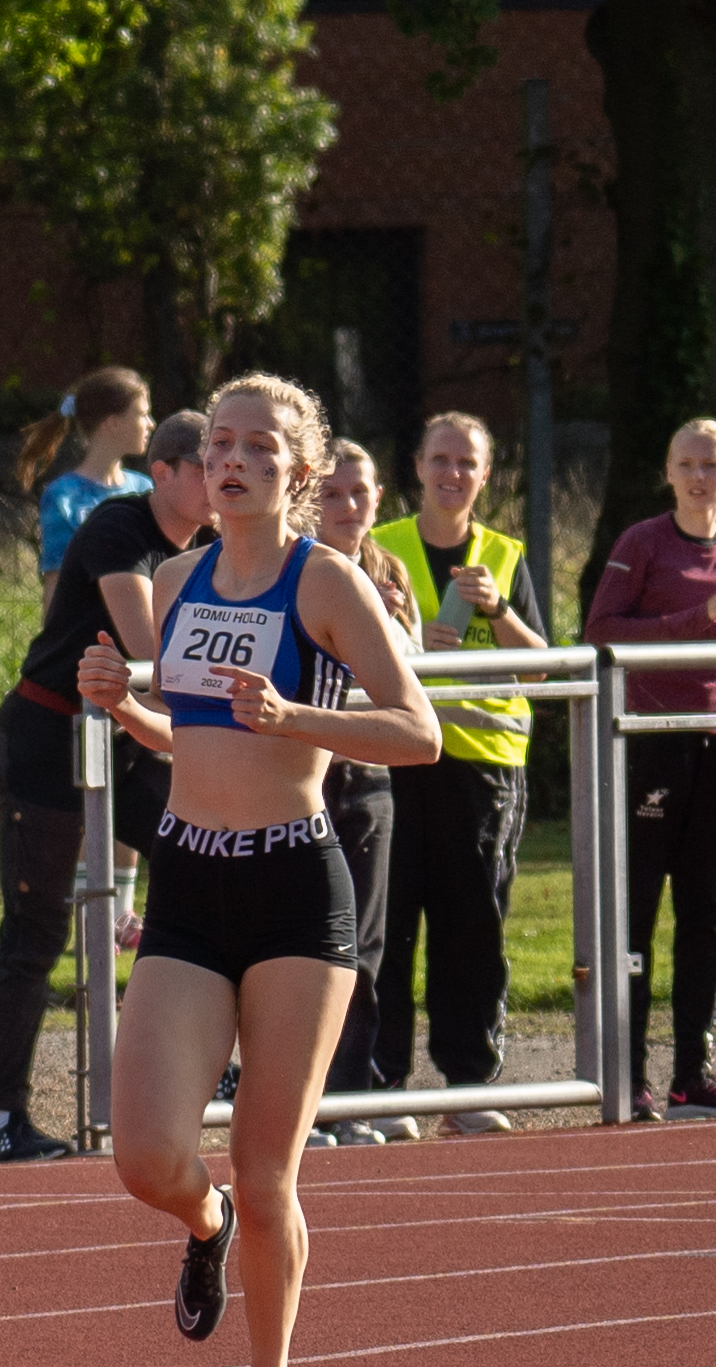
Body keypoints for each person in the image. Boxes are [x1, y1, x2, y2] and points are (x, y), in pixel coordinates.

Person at [76, 373, 438, 1367]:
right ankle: (203, 1224)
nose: (228, 460)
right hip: (189, 879)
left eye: (255, 447)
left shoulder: (323, 584)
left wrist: (298, 715)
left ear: (297, 471)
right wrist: (121, 704)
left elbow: (416, 731)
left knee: (270, 1161)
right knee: (145, 1153)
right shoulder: (176, 576)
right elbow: (191, 739)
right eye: (216, 443)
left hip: (292, 885)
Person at [0, 411, 210, 1164]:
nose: (221, 480)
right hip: (48, 738)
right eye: (203, 465)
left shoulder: (208, 545)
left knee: (201, 863)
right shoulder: (119, 525)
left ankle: (181, 1063)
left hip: (125, 739)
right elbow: (148, 649)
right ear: (162, 472)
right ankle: (3, 1120)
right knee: (35, 928)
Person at [585, 416, 716, 1122]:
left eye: (712, 464)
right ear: (668, 473)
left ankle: (691, 1075)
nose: (699, 476)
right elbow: (600, 631)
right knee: (636, 910)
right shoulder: (642, 543)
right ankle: (626, 1076)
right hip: (651, 738)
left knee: (705, 909)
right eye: (687, 463)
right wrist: (690, 619)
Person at [368, 412, 548, 1135]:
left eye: (465, 463)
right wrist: (412, 643)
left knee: (472, 924)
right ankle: (384, 1083)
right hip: (394, 756)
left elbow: (538, 662)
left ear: (483, 474)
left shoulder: (502, 558)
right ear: (416, 465)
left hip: (480, 767)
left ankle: (467, 1082)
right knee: (387, 922)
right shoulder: (379, 549)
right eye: (439, 459)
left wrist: (495, 610)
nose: (451, 474)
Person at [308, 439, 425, 1147]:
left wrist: (387, 625)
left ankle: (353, 1097)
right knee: (306, 944)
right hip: (308, 774)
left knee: (364, 946)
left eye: (360, 493)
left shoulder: (387, 570)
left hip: (372, 777)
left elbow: (406, 681)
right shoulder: (297, 570)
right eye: (332, 494)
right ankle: (308, 1100)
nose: (348, 507)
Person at [18, 367, 157, 600]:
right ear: (113, 423)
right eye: (143, 414)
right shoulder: (63, 497)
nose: (151, 424)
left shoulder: (145, 490)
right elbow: (56, 583)